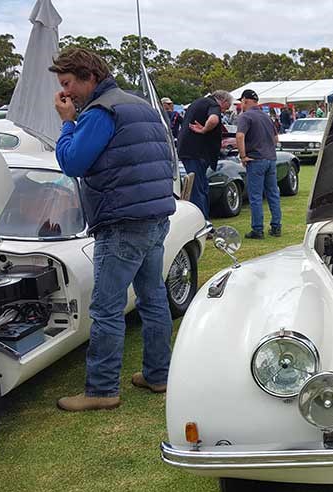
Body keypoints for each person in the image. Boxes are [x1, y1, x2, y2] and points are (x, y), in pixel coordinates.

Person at [49, 48, 176, 411]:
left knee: (106, 309)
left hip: (122, 223)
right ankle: (159, 374)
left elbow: (72, 162)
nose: (66, 92)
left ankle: (101, 389)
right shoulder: (139, 105)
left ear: (88, 77)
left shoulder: (99, 112)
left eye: (68, 83)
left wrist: (67, 122)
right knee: (153, 299)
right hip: (154, 217)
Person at [177, 90, 234, 219]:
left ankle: (203, 219)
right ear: (223, 101)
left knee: (200, 186)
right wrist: (204, 129)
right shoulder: (213, 105)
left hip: (187, 151)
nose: (225, 111)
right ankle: (203, 221)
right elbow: (213, 120)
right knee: (198, 189)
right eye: (226, 108)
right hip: (197, 153)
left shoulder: (197, 103)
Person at [236, 89, 281, 239]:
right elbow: (276, 139)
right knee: (273, 194)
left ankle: (257, 229)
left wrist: (243, 156)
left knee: (255, 197)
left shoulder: (245, 116)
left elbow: (240, 136)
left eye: (241, 101)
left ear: (245, 100)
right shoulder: (266, 116)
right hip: (270, 159)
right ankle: (276, 226)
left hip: (255, 160)